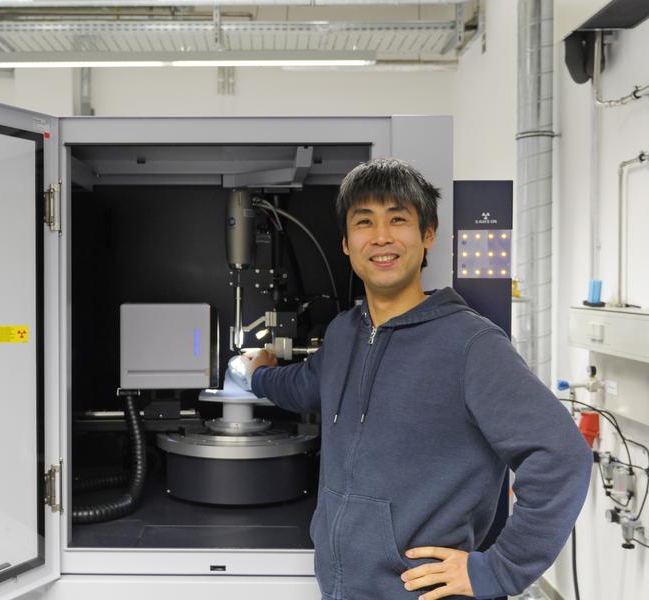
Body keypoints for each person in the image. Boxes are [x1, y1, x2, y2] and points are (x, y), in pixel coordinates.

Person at [243, 158, 592, 600]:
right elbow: (304, 386)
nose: (382, 236)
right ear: (347, 243)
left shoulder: (471, 344)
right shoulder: (344, 332)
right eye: (364, 221)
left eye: (398, 219)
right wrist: (258, 373)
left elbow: (562, 458)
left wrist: (498, 571)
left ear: (427, 235)